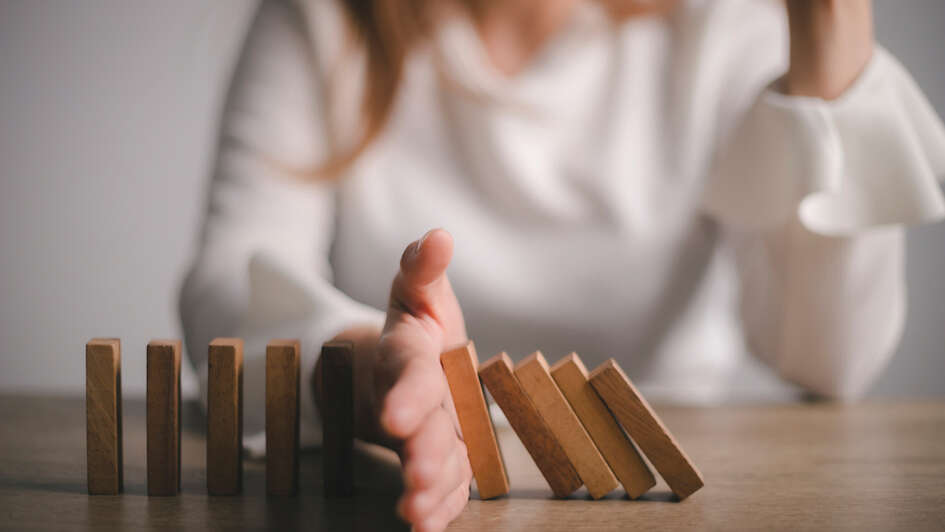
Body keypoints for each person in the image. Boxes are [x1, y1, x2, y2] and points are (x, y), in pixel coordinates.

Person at [179, 0, 945, 529]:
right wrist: (368, 368)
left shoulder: (721, 28)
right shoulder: (325, 19)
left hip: (663, 496)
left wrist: (830, 27)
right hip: (397, 480)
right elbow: (232, 276)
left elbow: (827, 360)